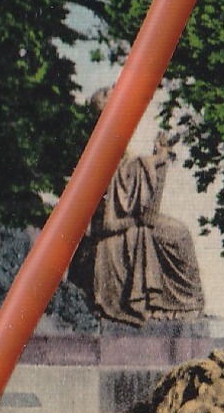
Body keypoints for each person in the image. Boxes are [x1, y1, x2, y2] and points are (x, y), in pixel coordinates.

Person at [75, 127, 205, 326]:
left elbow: (143, 194)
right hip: (120, 230)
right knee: (177, 237)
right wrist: (159, 158)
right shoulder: (99, 157)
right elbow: (109, 214)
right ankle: (179, 305)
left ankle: (187, 304)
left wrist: (160, 157)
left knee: (180, 233)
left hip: (133, 221)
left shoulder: (121, 158)